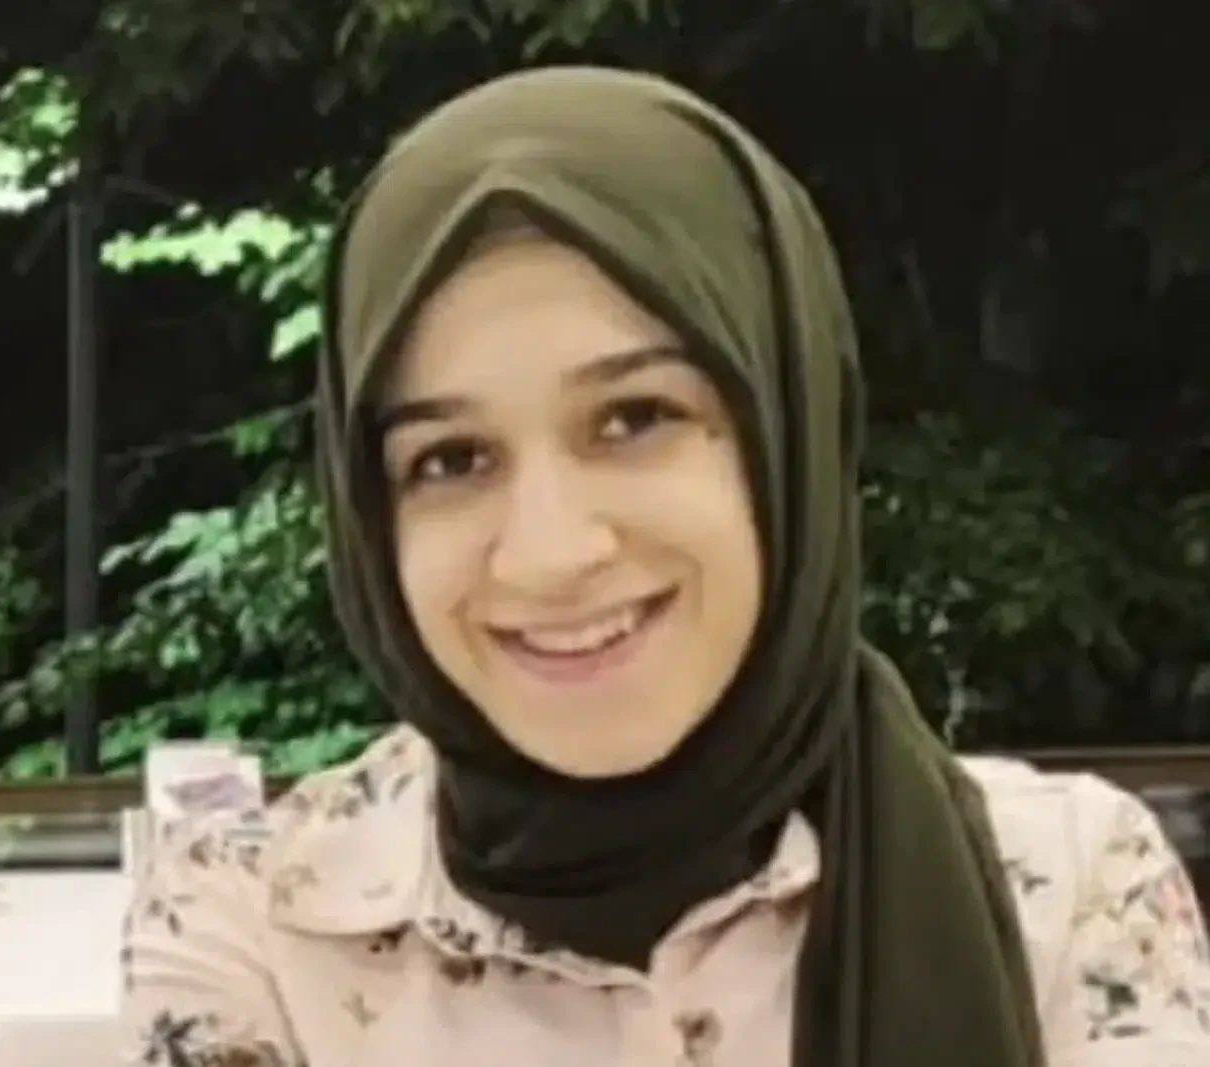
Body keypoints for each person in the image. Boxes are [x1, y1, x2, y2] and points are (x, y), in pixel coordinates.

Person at [119, 67, 1210, 1067]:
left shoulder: (1066, 890)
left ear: (785, 434)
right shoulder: (254, 919)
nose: (550, 553)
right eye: (450, 459)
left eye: (634, 417)